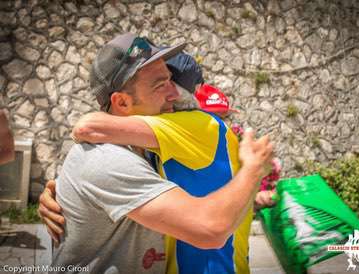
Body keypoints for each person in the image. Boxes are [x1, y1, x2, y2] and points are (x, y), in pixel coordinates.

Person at [42, 33, 273, 274]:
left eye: (172, 82)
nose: (174, 95)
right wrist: (253, 169)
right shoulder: (109, 159)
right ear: (121, 103)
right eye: (160, 85)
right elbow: (210, 228)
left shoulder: (148, 150)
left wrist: (62, 189)